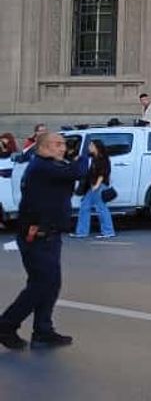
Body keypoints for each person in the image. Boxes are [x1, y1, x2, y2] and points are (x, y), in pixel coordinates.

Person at [0, 132, 88, 350]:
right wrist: (86, 153)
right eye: (57, 144)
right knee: (41, 284)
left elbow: (73, 176)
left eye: (64, 145)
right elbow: (79, 170)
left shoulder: (51, 166)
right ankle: (6, 325)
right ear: (42, 147)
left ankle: (43, 330)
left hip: (50, 234)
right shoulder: (42, 167)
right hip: (36, 236)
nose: (62, 148)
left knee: (51, 284)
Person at [72, 140, 115, 240]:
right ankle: (81, 232)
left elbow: (102, 173)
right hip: (93, 186)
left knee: (101, 208)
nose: (89, 147)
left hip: (98, 186)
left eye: (91, 145)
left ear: (97, 147)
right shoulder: (94, 158)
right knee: (85, 207)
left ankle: (108, 231)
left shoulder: (102, 159)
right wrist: (79, 157)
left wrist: (97, 185)